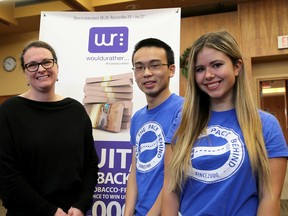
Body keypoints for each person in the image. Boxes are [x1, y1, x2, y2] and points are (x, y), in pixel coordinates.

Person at [162, 31, 288, 216]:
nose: (208, 75)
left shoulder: (266, 125)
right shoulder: (182, 123)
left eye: (217, 65)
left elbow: (269, 198)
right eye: (200, 69)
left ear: (237, 67)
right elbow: (170, 190)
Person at [0, 41, 99, 216]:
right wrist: (50, 211)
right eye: (32, 65)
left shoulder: (76, 110)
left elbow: (90, 163)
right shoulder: (9, 111)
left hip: (72, 213)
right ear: (24, 72)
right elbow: (6, 174)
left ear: (56, 67)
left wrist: (81, 205)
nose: (41, 69)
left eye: (46, 62)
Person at [124, 38, 184, 216]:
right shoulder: (137, 118)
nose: (147, 73)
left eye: (155, 65)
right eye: (140, 67)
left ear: (171, 70)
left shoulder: (185, 110)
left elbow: (176, 176)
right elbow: (134, 171)